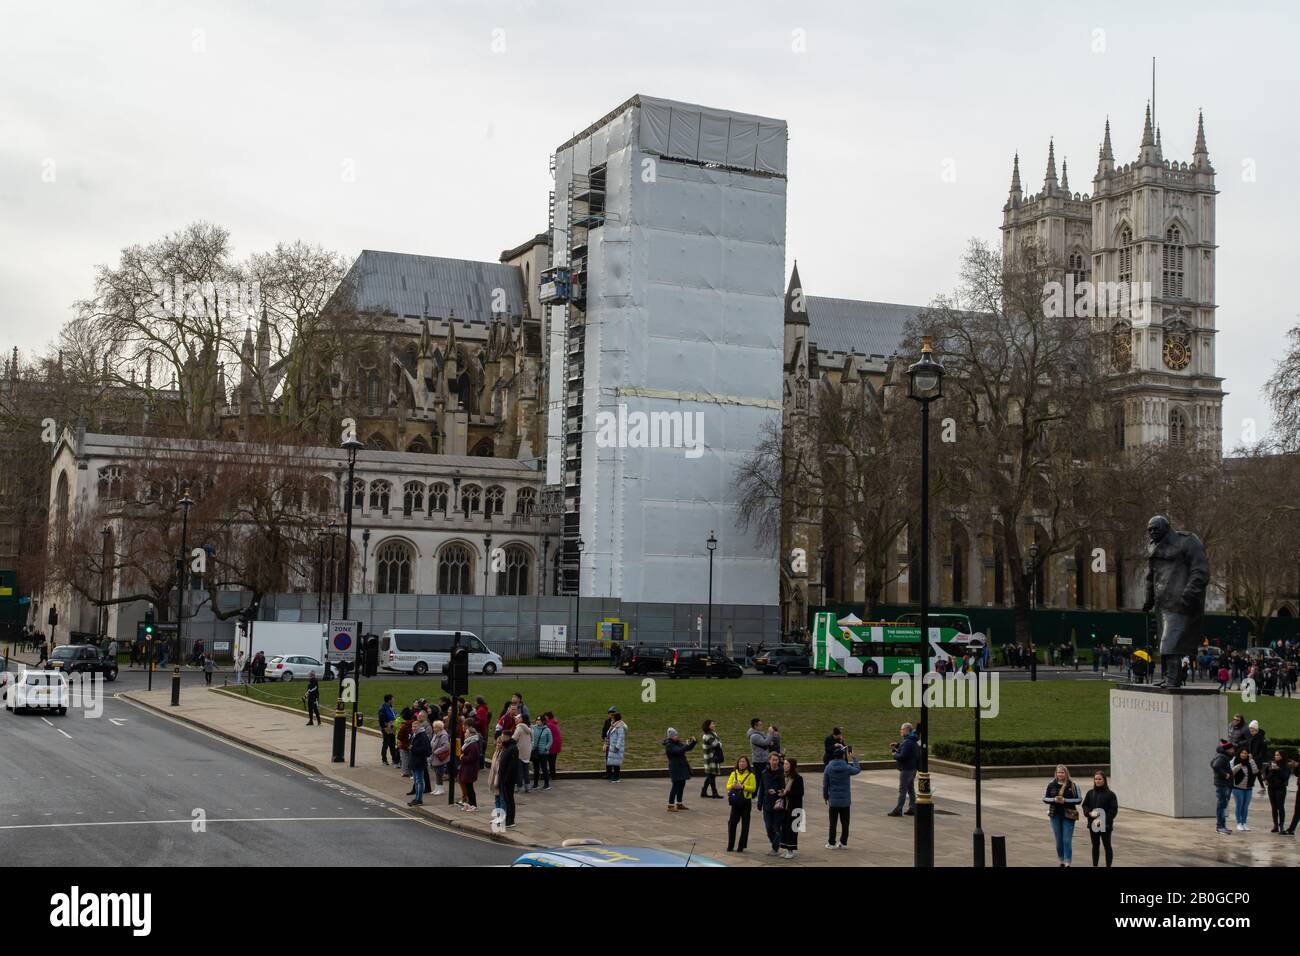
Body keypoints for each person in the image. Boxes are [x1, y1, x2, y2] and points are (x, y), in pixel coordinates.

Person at [1042, 764, 1082, 866]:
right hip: (1055, 815)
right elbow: (1045, 798)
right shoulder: (1051, 785)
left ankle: (1067, 862)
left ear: (1066, 773)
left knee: (1067, 840)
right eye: (1058, 772)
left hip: (1068, 816)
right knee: (1059, 840)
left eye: (1062, 772)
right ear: (1056, 773)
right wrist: (1054, 799)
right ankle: (1061, 860)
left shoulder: (1073, 785)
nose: (1060, 774)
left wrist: (1065, 800)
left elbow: (1079, 799)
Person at [822, 744, 860, 849]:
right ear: (843, 756)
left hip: (833, 800)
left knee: (833, 823)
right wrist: (854, 758)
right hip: (845, 801)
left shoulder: (828, 768)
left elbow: (825, 784)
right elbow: (857, 770)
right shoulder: (847, 768)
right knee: (845, 823)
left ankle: (831, 843)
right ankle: (843, 843)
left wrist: (825, 796)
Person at [1082, 771, 1119, 867]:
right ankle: (1095, 865)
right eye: (1096, 779)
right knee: (1095, 846)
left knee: (1107, 846)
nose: (1097, 781)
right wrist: (1088, 813)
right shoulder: (1090, 793)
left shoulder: (1110, 794)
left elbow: (1113, 810)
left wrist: (1103, 818)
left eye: (1099, 779)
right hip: (1093, 823)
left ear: (1104, 780)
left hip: (1105, 825)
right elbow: (1085, 805)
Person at [725, 757, 757, 852]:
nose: (742, 763)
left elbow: (753, 788)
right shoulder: (733, 773)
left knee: (745, 825)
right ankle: (730, 845)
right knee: (732, 824)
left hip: (746, 802)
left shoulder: (751, 775)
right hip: (736, 802)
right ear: (737, 763)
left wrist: (742, 786)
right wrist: (733, 786)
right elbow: (727, 785)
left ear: (747, 764)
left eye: (744, 762)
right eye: (740, 762)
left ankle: (741, 846)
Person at [887, 722, 919, 816]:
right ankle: (912, 808)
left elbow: (903, 756)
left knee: (903, 789)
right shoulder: (912, 739)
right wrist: (898, 745)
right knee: (910, 788)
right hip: (912, 768)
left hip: (907, 769)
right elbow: (906, 749)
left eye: (902, 729)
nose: (901, 731)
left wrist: (895, 754)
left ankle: (898, 809)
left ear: (906, 730)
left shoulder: (908, 742)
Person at [663, 728, 697, 811]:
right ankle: (670, 805)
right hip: (675, 768)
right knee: (675, 786)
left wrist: (693, 742)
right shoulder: (669, 745)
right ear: (671, 736)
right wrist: (686, 745)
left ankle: (679, 803)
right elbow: (679, 750)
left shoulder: (677, 743)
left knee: (681, 785)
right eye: (675, 735)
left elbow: (687, 748)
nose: (677, 736)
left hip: (681, 767)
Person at [758, 751, 785, 855]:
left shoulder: (782, 773)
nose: (774, 762)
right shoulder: (764, 773)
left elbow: (785, 789)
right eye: (773, 760)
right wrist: (759, 803)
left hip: (778, 804)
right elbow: (762, 788)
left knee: (776, 827)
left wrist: (777, 792)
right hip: (767, 804)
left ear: (778, 761)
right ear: (769, 760)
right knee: (768, 828)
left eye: (776, 760)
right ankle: (776, 842)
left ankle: (775, 847)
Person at [779, 757, 804, 859]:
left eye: (787, 764)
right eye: (784, 764)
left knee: (792, 829)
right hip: (785, 806)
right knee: (784, 828)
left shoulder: (797, 778)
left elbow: (800, 793)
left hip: (795, 807)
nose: (784, 766)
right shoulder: (783, 777)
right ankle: (785, 848)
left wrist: (787, 793)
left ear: (792, 766)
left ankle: (791, 850)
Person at [1231, 747, 1259, 831]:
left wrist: (1251, 760)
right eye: (1242, 753)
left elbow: (1255, 771)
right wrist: (1238, 766)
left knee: (1245, 806)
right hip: (1237, 788)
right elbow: (1231, 772)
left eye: (1245, 753)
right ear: (1239, 753)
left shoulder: (1250, 761)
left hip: (1248, 787)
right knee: (1239, 805)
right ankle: (1239, 823)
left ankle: (1244, 823)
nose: (1244, 755)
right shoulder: (1234, 760)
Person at [1264, 750, 1291, 833]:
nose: (1276, 756)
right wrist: (1265, 779)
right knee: (1274, 807)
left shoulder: (1285, 766)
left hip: (1280, 788)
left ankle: (1281, 825)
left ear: (1282, 756)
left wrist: (1278, 769)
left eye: (1278, 755)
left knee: (1280, 806)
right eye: (1275, 755)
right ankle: (1275, 825)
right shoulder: (1271, 763)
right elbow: (1265, 772)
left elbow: (1285, 777)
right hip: (1271, 787)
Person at [407, 716, 432, 806]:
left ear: (419, 727)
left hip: (419, 762)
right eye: (413, 727)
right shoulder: (414, 735)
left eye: (415, 727)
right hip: (414, 761)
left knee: (419, 781)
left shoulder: (422, 736)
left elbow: (426, 750)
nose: (413, 728)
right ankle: (417, 798)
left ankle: (419, 799)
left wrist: (413, 748)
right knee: (416, 781)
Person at [497, 732, 520, 828]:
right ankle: (507, 819)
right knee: (506, 800)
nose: (501, 737)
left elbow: (512, 766)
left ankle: (510, 820)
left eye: (503, 736)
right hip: (503, 778)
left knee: (509, 800)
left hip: (508, 780)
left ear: (507, 737)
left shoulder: (513, 748)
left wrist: (506, 779)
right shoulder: (506, 747)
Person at [1212, 741, 1236, 835]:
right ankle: (1220, 827)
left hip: (1224, 784)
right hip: (1223, 784)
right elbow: (1215, 765)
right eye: (1232, 749)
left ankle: (1222, 826)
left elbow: (1212, 763)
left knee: (1222, 805)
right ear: (1228, 749)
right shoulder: (1222, 757)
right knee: (1221, 806)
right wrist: (1225, 774)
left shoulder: (1221, 756)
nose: (1233, 750)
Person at [458, 724, 481, 811]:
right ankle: (468, 804)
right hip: (467, 768)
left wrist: (462, 757)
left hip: (470, 769)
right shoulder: (469, 743)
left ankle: (473, 804)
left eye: (466, 732)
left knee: (469, 787)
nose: (464, 733)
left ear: (471, 734)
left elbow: (472, 758)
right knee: (467, 787)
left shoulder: (473, 745)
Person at [700, 720, 724, 799]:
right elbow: (717, 744)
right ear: (708, 726)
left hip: (712, 757)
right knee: (711, 776)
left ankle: (704, 792)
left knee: (710, 775)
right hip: (710, 758)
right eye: (712, 724)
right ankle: (714, 793)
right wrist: (719, 744)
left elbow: (718, 744)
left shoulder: (712, 734)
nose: (714, 725)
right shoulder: (707, 736)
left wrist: (719, 744)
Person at [513, 712, 533, 793]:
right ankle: (527, 787)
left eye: (517, 718)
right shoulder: (528, 728)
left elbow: (514, 738)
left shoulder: (519, 728)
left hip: (520, 751)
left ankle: (518, 787)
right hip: (527, 752)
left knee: (519, 771)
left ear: (521, 719)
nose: (516, 720)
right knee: (526, 770)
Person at [430, 720, 451, 796]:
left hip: (439, 757)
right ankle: (437, 788)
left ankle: (440, 789)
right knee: (436, 772)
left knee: (439, 773)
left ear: (439, 728)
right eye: (433, 727)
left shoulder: (444, 735)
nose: (434, 729)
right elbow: (432, 742)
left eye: (435, 727)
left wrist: (436, 751)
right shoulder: (436, 734)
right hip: (435, 756)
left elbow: (446, 746)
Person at [1246, 720, 1267, 797]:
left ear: (1256, 729)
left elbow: (1261, 751)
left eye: (1252, 729)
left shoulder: (1260, 738)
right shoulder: (1253, 736)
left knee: (1254, 772)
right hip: (1253, 758)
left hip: (1256, 759)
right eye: (1250, 729)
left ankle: (1249, 787)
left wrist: (1255, 758)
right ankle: (1262, 787)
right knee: (1257, 773)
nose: (1250, 730)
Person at [604, 710, 627, 782]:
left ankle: (616, 777)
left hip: (616, 747)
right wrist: (606, 744)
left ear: (616, 718)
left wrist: (617, 746)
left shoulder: (619, 726)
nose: (611, 718)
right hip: (611, 746)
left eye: (613, 717)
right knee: (613, 762)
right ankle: (614, 776)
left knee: (616, 763)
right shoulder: (613, 725)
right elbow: (608, 735)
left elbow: (621, 737)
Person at [531, 715, 552, 790]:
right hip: (535, 752)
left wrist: (546, 748)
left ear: (543, 721)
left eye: (539, 720)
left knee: (544, 768)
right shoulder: (533, 728)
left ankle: (547, 784)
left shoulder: (547, 730)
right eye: (537, 720)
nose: (537, 721)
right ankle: (535, 784)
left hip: (544, 753)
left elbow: (550, 741)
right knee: (536, 768)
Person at [378, 694, 398, 766]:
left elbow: (393, 715)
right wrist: (386, 725)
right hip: (386, 728)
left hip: (392, 727)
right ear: (389, 700)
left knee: (392, 744)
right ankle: (384, 760)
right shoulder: (383, 708)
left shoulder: (390, 707)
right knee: (386, 743)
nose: (394, 700)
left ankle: (394, 759)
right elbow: (381, 720)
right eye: (393, 699)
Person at [544, 711, 561, 786]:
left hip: (552, 745)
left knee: (550, 761)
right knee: (552, 761)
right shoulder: (554, 723)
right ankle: (553, 775)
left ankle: (551, 775)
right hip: (556, 744)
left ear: (547, 717)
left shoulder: (549, 725)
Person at [397, 707, 414, 777]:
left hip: (404, 745)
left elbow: (399, 736)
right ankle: (411, 771)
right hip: (412, 744)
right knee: (411, 758)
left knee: (404, 759)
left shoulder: (403, 726)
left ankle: (406, 772)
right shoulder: (414, 724)